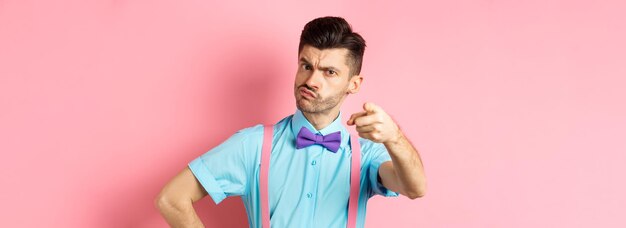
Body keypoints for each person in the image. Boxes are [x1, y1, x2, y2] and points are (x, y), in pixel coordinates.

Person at [155, 16, 427, 228]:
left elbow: (415, 188)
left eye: (329, 72)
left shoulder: (366, 155)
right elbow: (171, 199)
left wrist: (394, 138)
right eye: (306, 66)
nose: (311, 81)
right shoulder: (253, 146)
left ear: (353, 84)